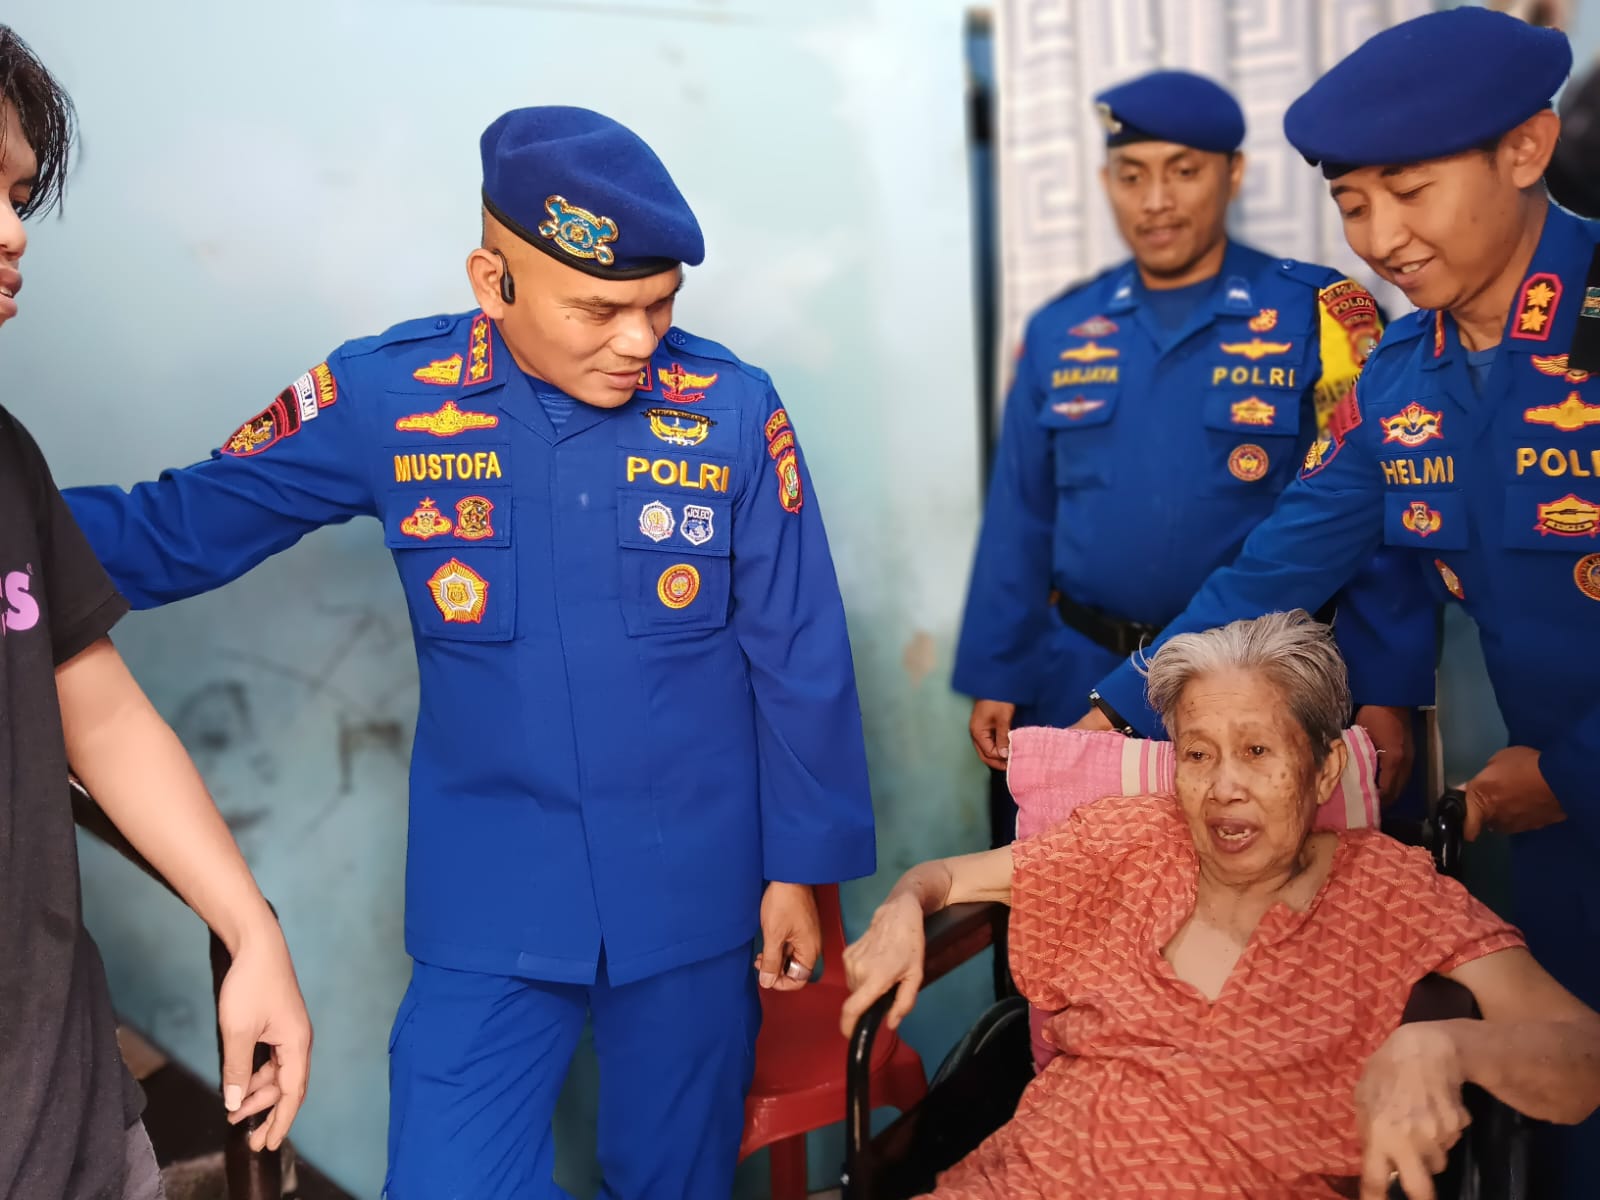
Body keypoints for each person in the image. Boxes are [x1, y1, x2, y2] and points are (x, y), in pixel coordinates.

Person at [63, 105, 876, 1197]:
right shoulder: (390, 396)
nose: (640, 341)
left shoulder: (732, 410)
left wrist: (794, 871)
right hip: (491, 891)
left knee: (674, 1178)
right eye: (600, 310)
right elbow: (180, 525)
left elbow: (799, 647)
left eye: (661, 304)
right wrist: (17, 532)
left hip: (691, 887)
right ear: (493, 282)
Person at [1070, 9, 1600, 1193]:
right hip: (1561, 832)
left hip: (1562, 779)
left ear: (1525, 150)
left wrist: (1570, 770)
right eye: (1354, 205)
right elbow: (1276, 565)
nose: (1381, 238)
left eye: (1409, 192)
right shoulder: (1404, 378)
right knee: (1562, 1117)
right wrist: (1111, 713)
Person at [843, 612, 1600, 1200]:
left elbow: (1583, 1051)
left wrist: (1444, 1048)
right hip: (1027, 1177)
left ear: (1324, 768)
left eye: (1258, 752)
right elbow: (943, 880)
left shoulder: (1390, 891)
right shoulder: (1133, 840)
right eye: (1199, 755)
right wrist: (904, 905)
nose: (1223, 787)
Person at [0, 26, 311, 1200]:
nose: (14, 233)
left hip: (68, 1104)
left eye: (18, 196)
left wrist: (250, 928)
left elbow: (104, 717)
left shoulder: (11, 466)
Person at [953, 69, 1431, 821]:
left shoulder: (1321, 314)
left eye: (1183, 171)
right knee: (1075, 887)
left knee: (1262, 889)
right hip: (1081, 674)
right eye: (1132, 175)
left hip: (1262, 683)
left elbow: (1376, 514)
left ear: (1233, 174)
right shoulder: (1061, 330)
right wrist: (998, 670)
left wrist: (1388, 688)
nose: (1155, 201)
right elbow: (1022, 513)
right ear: (1106, 183)